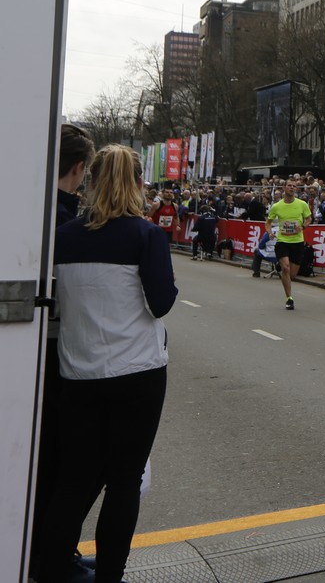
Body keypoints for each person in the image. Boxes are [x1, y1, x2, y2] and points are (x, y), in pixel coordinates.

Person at [39, 145, 177, 583]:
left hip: (78, 371)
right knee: (123, 481)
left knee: (74, 479)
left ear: (92, 181)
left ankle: (51, 567)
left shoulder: (63, 235)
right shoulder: (146, 235)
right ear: (138, 183)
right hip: (137, 371)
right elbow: (161, 303)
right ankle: (110, 575)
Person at [32, 125, 96, 582]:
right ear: (77, 168)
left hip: (44, 344)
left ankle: (54, 552)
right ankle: (49, 558)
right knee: (59, 461)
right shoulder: (59, 218)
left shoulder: (38, 207)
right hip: (53, 349)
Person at [267, 182, 312, 310]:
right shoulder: (277, 206)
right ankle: (289, 298)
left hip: (297, 242)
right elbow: (268, 223)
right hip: (282, 241)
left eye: (294, 186)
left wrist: (302, 226)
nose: (292, 187)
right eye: (289, 185)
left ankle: (281, 268)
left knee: (292, 275)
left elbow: (309, 219)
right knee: (286, 269)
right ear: (284, 188)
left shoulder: (302, 204)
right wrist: (270, 232)